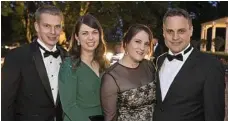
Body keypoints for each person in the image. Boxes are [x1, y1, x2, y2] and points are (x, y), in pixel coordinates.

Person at [153, 8, 225, 121]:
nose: (175, 37)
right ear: (163, 32)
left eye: (181, 31)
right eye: (170, 31)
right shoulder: (159, 60)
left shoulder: (211, 66)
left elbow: (214, 116)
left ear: (191, 31)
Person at [2, 5, 66, 121]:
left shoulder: (67, 57)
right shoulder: (17, 56)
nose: (53, 31)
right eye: (47, 26)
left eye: (57, 26)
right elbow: (5, 103)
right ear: (37, 26)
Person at [59, 14, 109, 121]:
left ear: (100, 35)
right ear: (77, 37)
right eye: (85, 33)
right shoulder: (69, 65)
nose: (90, 37)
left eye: (94, 32)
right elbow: (69, 106)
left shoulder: (104, 64)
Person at [101, 24, 156, 121]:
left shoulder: (149, 66)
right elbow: (110, 118)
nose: (142, 48)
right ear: (126, 43)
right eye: (137, 42)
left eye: (146, 44)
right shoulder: (111, 77)